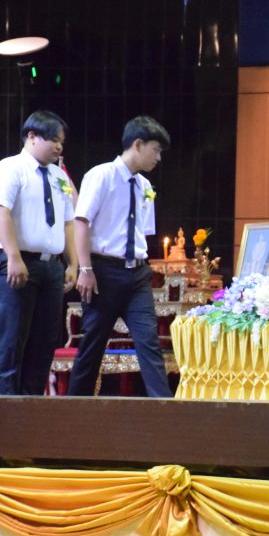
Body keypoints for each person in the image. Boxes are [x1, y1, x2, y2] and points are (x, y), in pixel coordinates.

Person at [68, 116, 172, 397]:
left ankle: (166, 410)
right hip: (103, 271)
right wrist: (85, 269)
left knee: (149, 342)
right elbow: (81, 222)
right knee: (93, 345)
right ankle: (74, 409)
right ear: (137, 144)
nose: (158, 158)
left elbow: (143, 233)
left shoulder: (145, 186)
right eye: (156, 150)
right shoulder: (101, 175)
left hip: (137, 273)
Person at [0, 110, 78, 395]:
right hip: (16, 261)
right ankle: (2, 409)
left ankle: (30, 408)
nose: (59, 146)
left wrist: (73, 264)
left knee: (44, 342)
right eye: (53, 140)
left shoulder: (58, 176)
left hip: (51, 267)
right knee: (12, 339)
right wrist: (13, 258)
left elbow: (68, 222)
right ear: (32, 136)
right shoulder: (10, 167)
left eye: (62, 141)